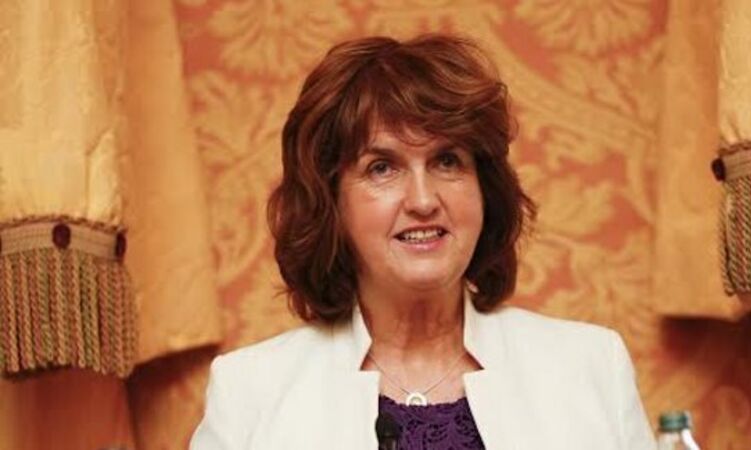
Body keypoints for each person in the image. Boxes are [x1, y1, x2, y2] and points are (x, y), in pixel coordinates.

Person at [190, 34, 656, 449]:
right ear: (331, 202)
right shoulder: (250, 391)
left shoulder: (591, 366)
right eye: (382, 168)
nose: (423, 200)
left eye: (447, 161)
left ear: (484, 189)